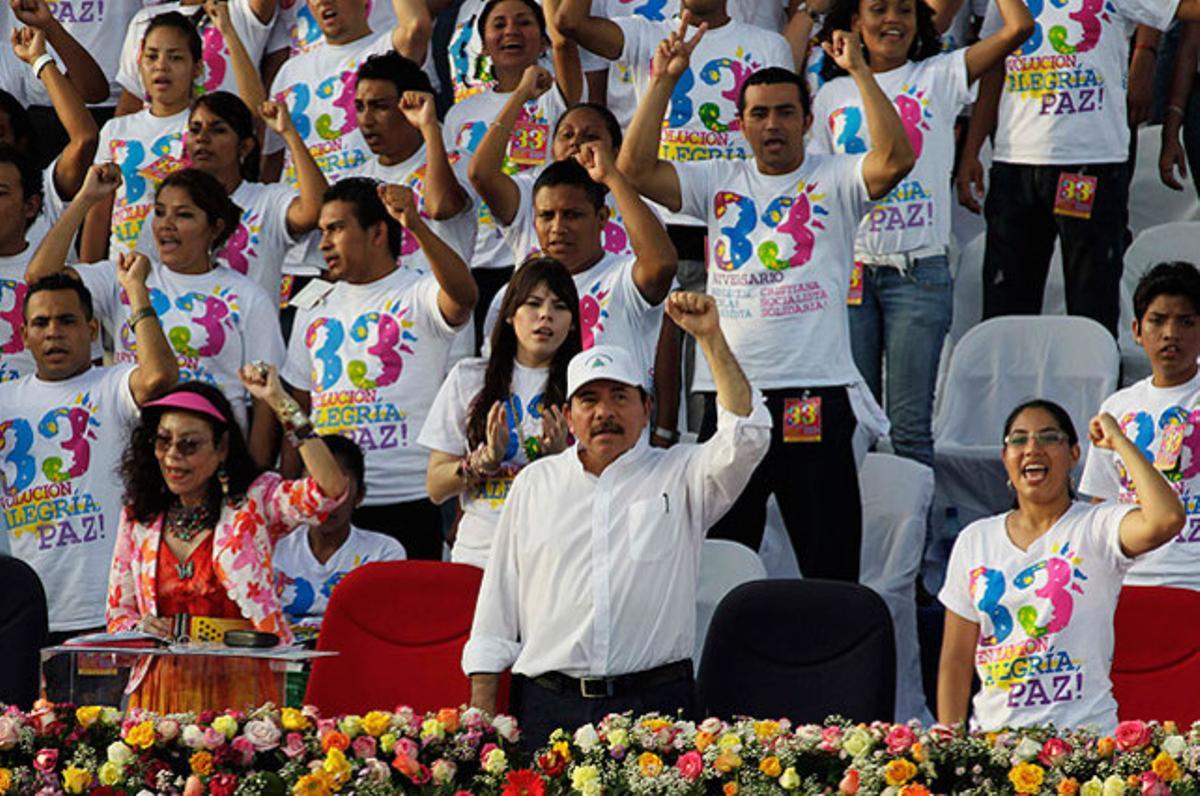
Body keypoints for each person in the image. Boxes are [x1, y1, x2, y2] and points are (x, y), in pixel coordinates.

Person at [618, 27, 914, 579]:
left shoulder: (836, 176)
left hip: (814, 391)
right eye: (759, 114)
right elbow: (634, 169)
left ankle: (833, 663)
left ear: (807, 120)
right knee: (722, 563)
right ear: (742, 125)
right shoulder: (717, 179)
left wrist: (861, 73)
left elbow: (895, 158)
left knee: (829, 566)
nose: (772, 125)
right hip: (730, 398)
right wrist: (663, 81)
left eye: (784, 112)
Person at [463, 292, 770, 748]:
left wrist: (710, 338)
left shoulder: (682, 474)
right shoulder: (535, 484)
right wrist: (481, 728)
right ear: (568, 416)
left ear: (647, 409)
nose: (604, 412)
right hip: (550, 708)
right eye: (589, 399)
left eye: (619, 397)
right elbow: (495, 617)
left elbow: (746, 436)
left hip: (656, 708)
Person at [807, 0, 1032, 468]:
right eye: (878, 9)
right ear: (854, 23)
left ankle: (918, 541)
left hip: (918, 272)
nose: (893, 19)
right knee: (856, 427)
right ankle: (864, 538)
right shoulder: (830, 96)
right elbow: (818, 189)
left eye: (906, 11)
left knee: (909, 431)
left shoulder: (939, 74)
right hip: (850, 276)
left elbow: (1018, 28)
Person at [106, 369, 349, 713]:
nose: (173, 455)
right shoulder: (139, 515)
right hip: (161, 691)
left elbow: (329, 490)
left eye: (189, 444)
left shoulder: (255, 501)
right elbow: (118, 616)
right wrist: (140, 628)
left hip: (243, 683)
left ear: (221, 448)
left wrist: (281, 402)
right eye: (163, 441)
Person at [937, 400, 1185, 732]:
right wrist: (949, 744)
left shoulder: (1097, 526)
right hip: (994, 744)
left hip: (1083, 741)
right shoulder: (975, 539)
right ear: (1005, 458)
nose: (1032, 448)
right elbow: (955, 658)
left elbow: (1166, 519)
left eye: (1049, 437)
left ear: (1073, 454)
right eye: (1019, 439)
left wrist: (1120, 442)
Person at [957, 0, 1200, 338]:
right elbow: (994, 65)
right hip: (1016, 164)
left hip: (1090, 164)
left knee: (1091, 307)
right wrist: (973, 148)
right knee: (1005, 312)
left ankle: (1097, 389)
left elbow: (1186, 9)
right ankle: (1010, 391)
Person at [29, 164, 287, 465]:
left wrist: (254, 475)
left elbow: (266, 400)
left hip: (210, 459)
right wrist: (86, 198)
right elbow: (40, 278)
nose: (166, 224)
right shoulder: (125, 274)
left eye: (183, 214)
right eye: (161, 212)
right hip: (134, 455)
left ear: (215, 227)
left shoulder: (248, 296)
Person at [0, 265, 178, 700]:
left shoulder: (112, 383)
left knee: (105, 757)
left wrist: (136, 291)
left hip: (106, 614)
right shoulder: (5, 400)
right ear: (23, 335)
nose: (53, 332)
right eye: (40, 323)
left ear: (93, 329)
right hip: (24, 619)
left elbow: (159, 378)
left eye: (67, 320)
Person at [281, 179, 477, 560]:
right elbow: (299, 405)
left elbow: (464, 297)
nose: (323, 244)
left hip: (410, 497)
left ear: (378, 232)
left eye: (336, 229)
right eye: (322, 231)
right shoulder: (312, 303)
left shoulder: (419, 292)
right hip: (329, 501)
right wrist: (291, 493)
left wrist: (416, 224)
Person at [419, 257, 581, 568]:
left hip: (554, 556)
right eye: (533, 304)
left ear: (573, 322)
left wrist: (561, 459)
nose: (546, 315)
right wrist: (483, 462)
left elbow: (604, 483)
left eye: (559, 307)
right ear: (509, 314)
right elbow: (436, 487)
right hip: (479, 555)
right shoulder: (469, 378)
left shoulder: (583, 385)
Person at [483, 143, 678, 395]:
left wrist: (612, 178)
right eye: (546, 215)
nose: (557, 227)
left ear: (602, 218)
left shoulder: (624, 279)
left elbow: (662, 263)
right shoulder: (510, 295)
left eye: (572, 215)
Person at [443, 0, 583, 307]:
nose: (511, 31)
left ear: (543, 39)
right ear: (481, 45)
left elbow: (565, 45)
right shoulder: (459, 114)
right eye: (499, 24)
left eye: (523, 23)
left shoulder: (558, 98)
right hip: (475, 259)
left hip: (533, 258)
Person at [131, 91, 328, 303]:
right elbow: (141, 277)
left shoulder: (267, 201)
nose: (202, 138)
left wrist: (289, 134)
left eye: (218, 130)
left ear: (244, 147)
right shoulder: (165, 212)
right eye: (195, 130)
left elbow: (317, 211)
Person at [1080, 262, 1200, 590]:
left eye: (1186, 322)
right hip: (1129, 582)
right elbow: (1101, 507)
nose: (1170, 334)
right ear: (1136, 330)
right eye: (1157, 321)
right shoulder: (1116, 408)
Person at [79, 12, 197, 262]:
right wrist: (88, 277)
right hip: (121, 269)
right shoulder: (115, 130)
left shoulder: (202, 128)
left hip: (182, 269)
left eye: (175, 58)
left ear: (197, 68)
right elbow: (99, 213)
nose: (161, 66)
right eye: (151, 56)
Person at [274, 434, 405, 619]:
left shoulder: (384, 552)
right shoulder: (275, 547)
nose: (328, 501)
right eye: (318, 489)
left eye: (339, 490)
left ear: (359, 495)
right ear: (300, 492)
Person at [113, 0, 275, 112]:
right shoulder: (144, 20)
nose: (161, 65)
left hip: (226, 149)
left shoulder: (242, 10)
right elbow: (130, 103)